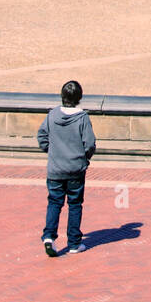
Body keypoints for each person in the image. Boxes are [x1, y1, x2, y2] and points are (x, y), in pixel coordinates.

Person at [38, 80, 96, 256]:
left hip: (55, 168)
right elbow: (90, 144)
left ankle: (49, 236)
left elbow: (42, 136)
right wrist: (84, 158)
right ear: (79, 98)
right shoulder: (82, 118)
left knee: (54, 203)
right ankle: (73, 243)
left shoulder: (52, 115)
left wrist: (52, 151)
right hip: (75, 169)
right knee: (75, 204)